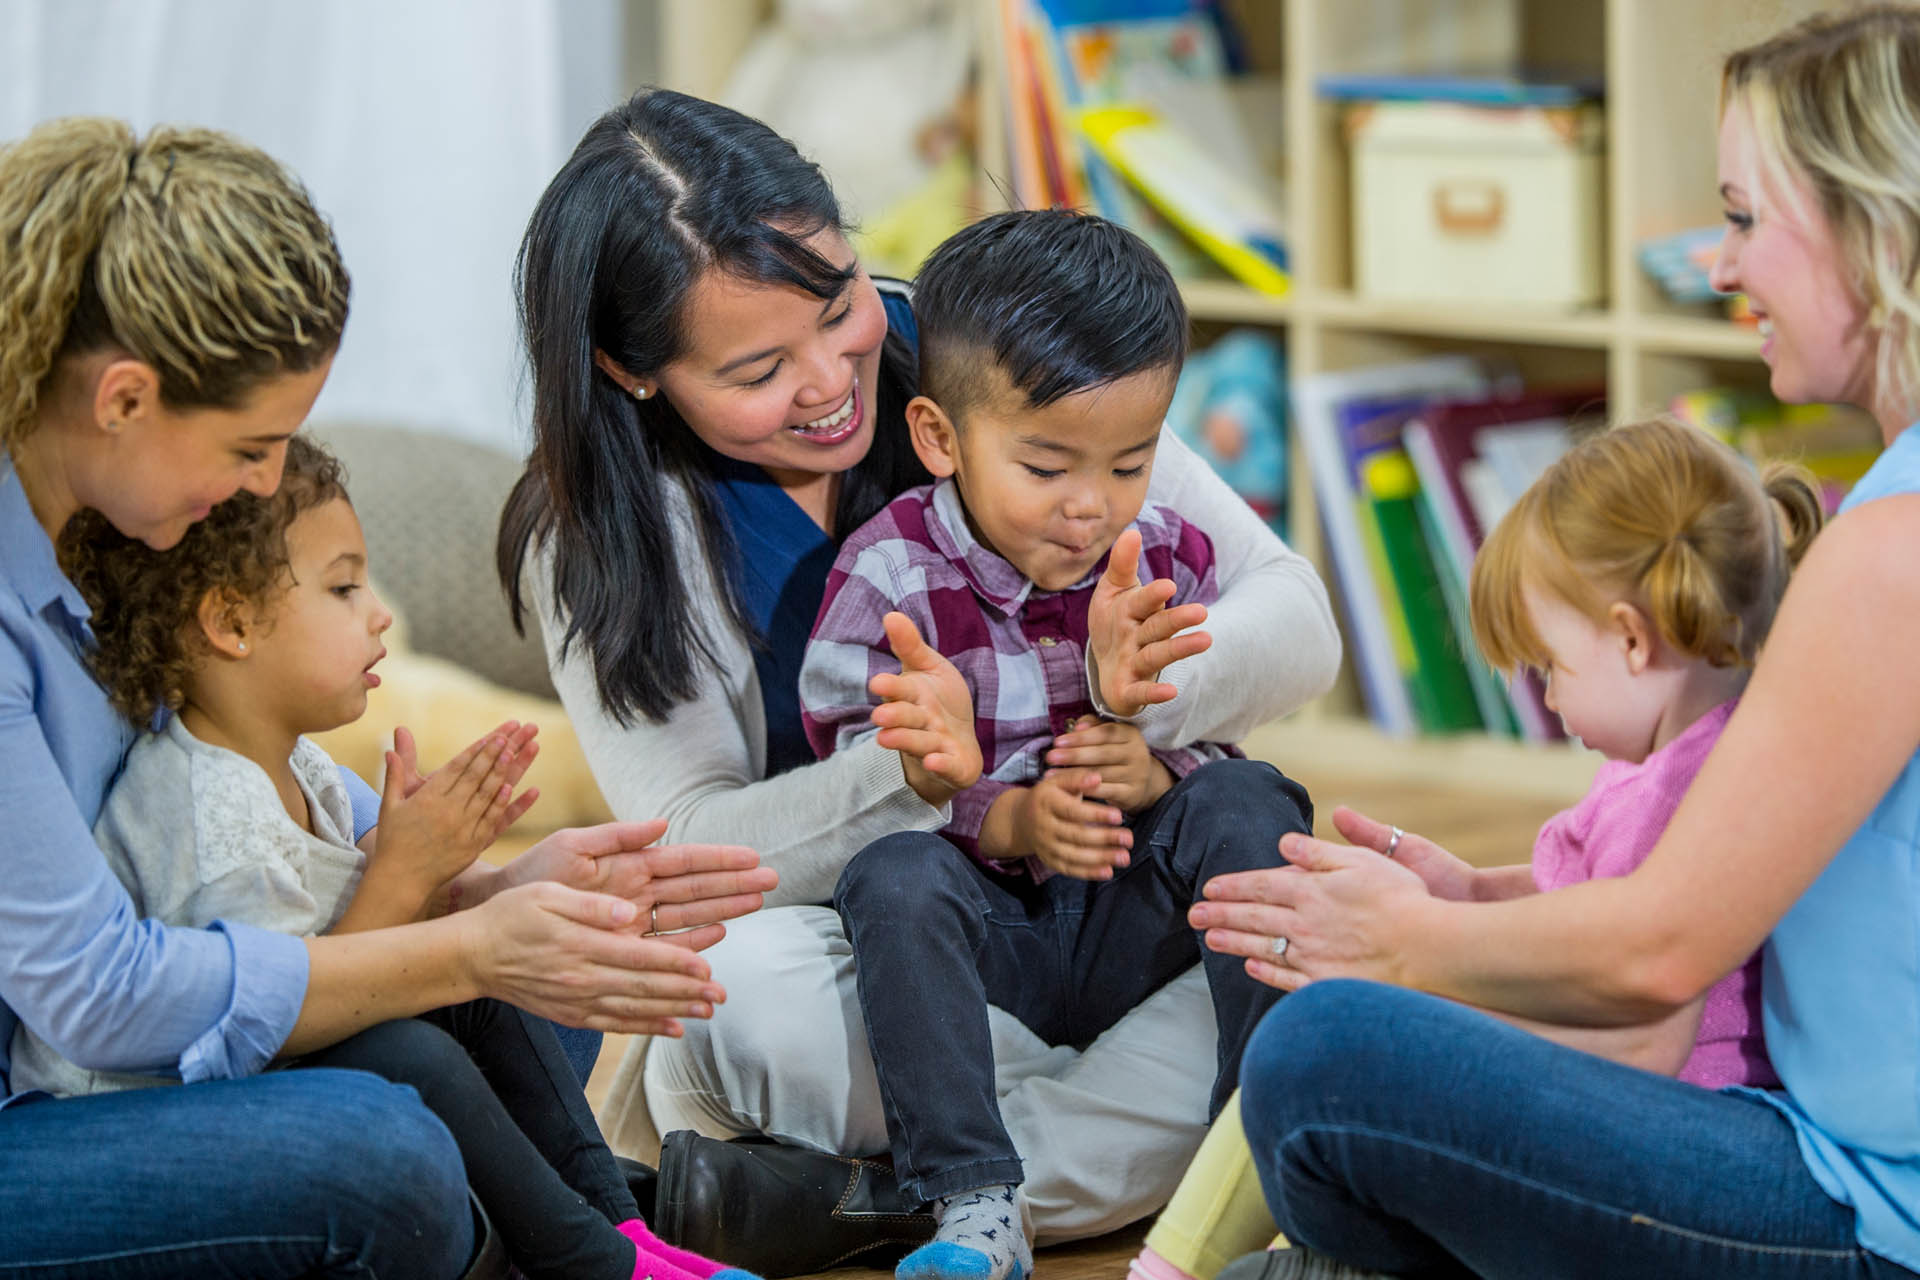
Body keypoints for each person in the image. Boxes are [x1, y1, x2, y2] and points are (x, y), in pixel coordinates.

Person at [497, 89, 1341, 1251]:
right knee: (741, 993)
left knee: (1297, 907)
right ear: (634, 370)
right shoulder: (597, 531)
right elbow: (689, 849)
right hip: (892, 938)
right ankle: (1146, 1163)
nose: (830, 379)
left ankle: (882, 1200)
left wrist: (1137, 689)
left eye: (837, 304)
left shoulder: (983, 348)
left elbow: (1296, 618)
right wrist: (906, 777)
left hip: (1105, 899)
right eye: (758, 368)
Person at [1187, 8, 1920, 1278]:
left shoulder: (1889, 551)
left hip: (1861, 1207)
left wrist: (1406, 941)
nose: (1720, 263)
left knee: (1321, 1057)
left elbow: (1661, 950)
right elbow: (1716, 868)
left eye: (1745, 218)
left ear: (1874, 226)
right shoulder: (1882, 512)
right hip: (1837, 1160)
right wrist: (1476, 902)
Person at [0, 116, 774, 1279]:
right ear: (123, 400)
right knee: (384, 1150)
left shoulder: (112, 537)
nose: (264, 484)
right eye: (251, 446)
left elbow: (256, 834)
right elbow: (101, 994)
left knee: (538, 995)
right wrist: (462, 945)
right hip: (47, 1104)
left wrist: (502, 891)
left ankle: (579, 1229)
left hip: (150, 1059)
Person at [1130, 416, 1821, 1280]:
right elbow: (1611, 901)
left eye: (1552, 666)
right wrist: (1474, 893)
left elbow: (1641, 1044)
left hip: (1658, 1125)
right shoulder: (1695, 753)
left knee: (1337, 1035)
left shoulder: (1677, 789)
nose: (1551, 700)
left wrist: (1436, 986)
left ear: (1632, 639)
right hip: (1666, 1108)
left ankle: (1177, 1267)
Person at [799, 209, 1313, 1280]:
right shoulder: (887, 574)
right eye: (1045, 466)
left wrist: (1157, 758)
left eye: (1130, 464)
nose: (1091, 508)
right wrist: (999, 810)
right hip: (998, 942)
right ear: (941, 438)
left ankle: (1260, 1158)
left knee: (1252, 798)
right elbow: (851, 782)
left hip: (1129, 916)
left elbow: (1214, 736)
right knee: (892, 878)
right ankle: (975, 1202)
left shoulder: (1167, 552)